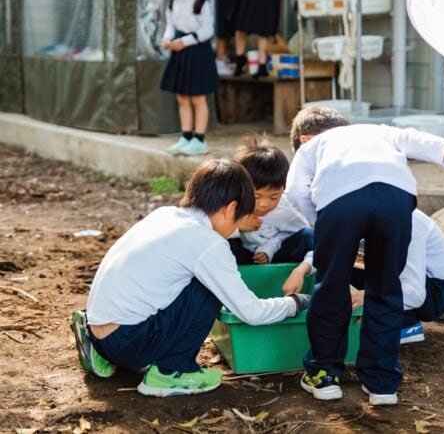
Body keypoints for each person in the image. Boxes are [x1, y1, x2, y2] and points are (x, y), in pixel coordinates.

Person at [285, 106, 444, 405]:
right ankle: (382, 385)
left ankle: (324, 375)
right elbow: (413, 138)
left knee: (331, 287)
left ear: (303, 140)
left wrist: (320, 220)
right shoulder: (377, 131)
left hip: (340, 201)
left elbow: (295, 190)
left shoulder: (312, 147)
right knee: (386, 289)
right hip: (395, 198)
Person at [70, 159, 309, 397]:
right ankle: (171, 371)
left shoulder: (164, 215)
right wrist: (296, 303)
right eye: (239, 218)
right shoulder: (207, 243)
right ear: (230, 208)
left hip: (100, 330)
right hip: (129, 343)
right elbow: (251, 313)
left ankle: (99, 349)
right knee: (208, 287)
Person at [284, 207, 444, 344]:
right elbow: (331, 248)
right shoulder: (358, 213)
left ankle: (406, 321)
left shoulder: (408, 224)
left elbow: (416, 292)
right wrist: (300, 270)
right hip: (390, 273)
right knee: (339, 263)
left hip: (433, 291)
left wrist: (368, 297)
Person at [228, 136, 314, 276]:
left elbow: (295, 235)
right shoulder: (230, 203)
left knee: (308, 235)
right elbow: (206, 229)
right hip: (239, 260)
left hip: (274, 258)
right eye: (257, 196)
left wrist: (268, 250)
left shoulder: (286, 209)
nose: (264, 204)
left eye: (274, 197)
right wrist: (236, 226)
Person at [160, 0, 218, 156]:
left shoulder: (201, 1)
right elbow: (170, 25)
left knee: (197, 98)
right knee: (182, 97)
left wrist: (184, 42)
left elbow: (207, 31)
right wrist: (167, 39)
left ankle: (199, 139)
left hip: (197, 52)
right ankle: (185, 137)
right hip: (179, 52)